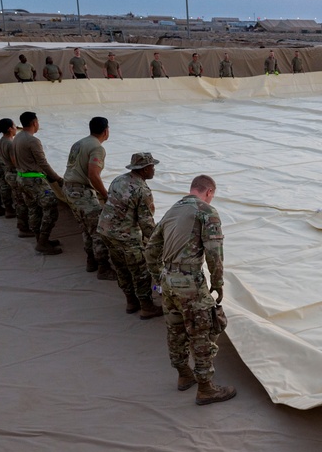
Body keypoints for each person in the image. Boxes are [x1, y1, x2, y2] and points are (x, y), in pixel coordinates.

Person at [145, 175, 237, 404]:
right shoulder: (207, 211)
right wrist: (217, 283)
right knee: (202, 332)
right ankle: (206, 388)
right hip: (190, 285)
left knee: (175, 330)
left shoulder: (173, 210)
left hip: (168, 282)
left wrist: (160, 279)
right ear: (209, 192)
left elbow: (150, 251)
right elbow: (214, 253)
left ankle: (184, 375)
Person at [97, 153, 163, 319]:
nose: (154, 169)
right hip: (125, 236)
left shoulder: (118, 180)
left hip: (105, 231)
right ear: (144, 169)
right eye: (152, 166)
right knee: (141, 271)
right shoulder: (142, 190)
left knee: (121, 268)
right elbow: (146, 224)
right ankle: (147, 307)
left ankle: (131, 302)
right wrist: (160, 243)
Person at [64, 117, 115, 280]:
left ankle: (90, 261)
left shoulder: (79, 143)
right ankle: (103, 267)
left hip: (69, 189)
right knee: (98, 230)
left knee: (86, 227)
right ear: (106, 131)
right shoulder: (97, 147)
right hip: (81, 192)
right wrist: (106, 195)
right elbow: (93, 175)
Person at [13, 111, 64, 255]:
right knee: (51, 207)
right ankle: (42, 241)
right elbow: (43, 163)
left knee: (33, 208)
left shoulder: (18, 137)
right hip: (34, 180)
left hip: (22, 178)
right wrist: (58, 179)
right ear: (35, 122)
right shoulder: (32, 140)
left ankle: (40, 239)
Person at [0, 117, 33, 237]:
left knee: (18, 200)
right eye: (14, 126)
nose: (15, 128)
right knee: (21, 202)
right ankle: (23, 228)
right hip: (13, 174)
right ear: (9, 129)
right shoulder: (10, 143)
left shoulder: (2, 140)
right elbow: (15, 162)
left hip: (8, 172)